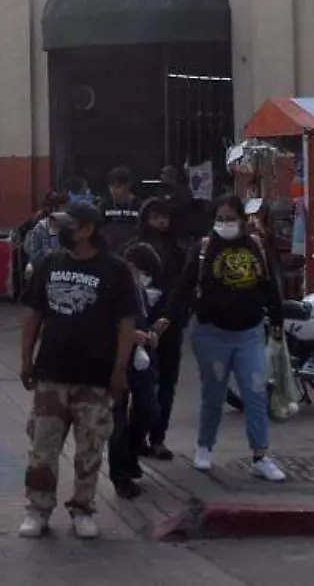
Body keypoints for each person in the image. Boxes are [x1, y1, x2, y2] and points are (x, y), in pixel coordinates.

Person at [17, 202, 139, 540]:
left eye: (68, 225)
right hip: (51, 372)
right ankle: (38, 509)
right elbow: (32, 315)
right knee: (43, 448)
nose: (60, 230)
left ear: (86, 229)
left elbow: (127, 323)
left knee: (90, 447)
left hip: (95, 376)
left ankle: (83, 508)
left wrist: (119, 369)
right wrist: (26, 358)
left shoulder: (115, 271)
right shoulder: (48, 263)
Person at [172, 195, 287, 482]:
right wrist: (170, 317)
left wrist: (277, 320)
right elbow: (185, 285)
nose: (224, 224)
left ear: (241, 219)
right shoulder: (204, 248)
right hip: (212, 335)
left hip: (249, 333)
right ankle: (204, 446)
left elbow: (270, 285)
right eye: (219, 218)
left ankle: (260, 456)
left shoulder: (256, 246)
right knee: (214, 394)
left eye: (229, 218)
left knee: (255, 394)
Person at [133, 197, 190, 461]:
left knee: (167, 383)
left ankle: (158, 438)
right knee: (141, 385)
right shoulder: (134, 248)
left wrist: (168, 316)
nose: (161, 222)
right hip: (141, 326)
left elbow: (181, 287)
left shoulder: (178, 250)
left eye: (164, 217)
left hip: (170, 325)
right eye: (155, 217)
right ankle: (137, 437)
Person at [108, 242, 166, 499]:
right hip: (116, 358)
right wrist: (132, 335)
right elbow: (104, 322)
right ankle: (120, 474)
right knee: (117, 420)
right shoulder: (111, 286)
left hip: (142, 360)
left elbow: (143, 318)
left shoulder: (140, 291)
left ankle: (132, 455)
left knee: (148, 409)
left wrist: (151, 333)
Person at [100, 166, 142, 255]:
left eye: (118, 186)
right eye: (111, 186)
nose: (114, 190)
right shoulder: (105, 205)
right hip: (109, 251)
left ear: (128, 185)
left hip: (133, 251)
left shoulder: (139, 204)